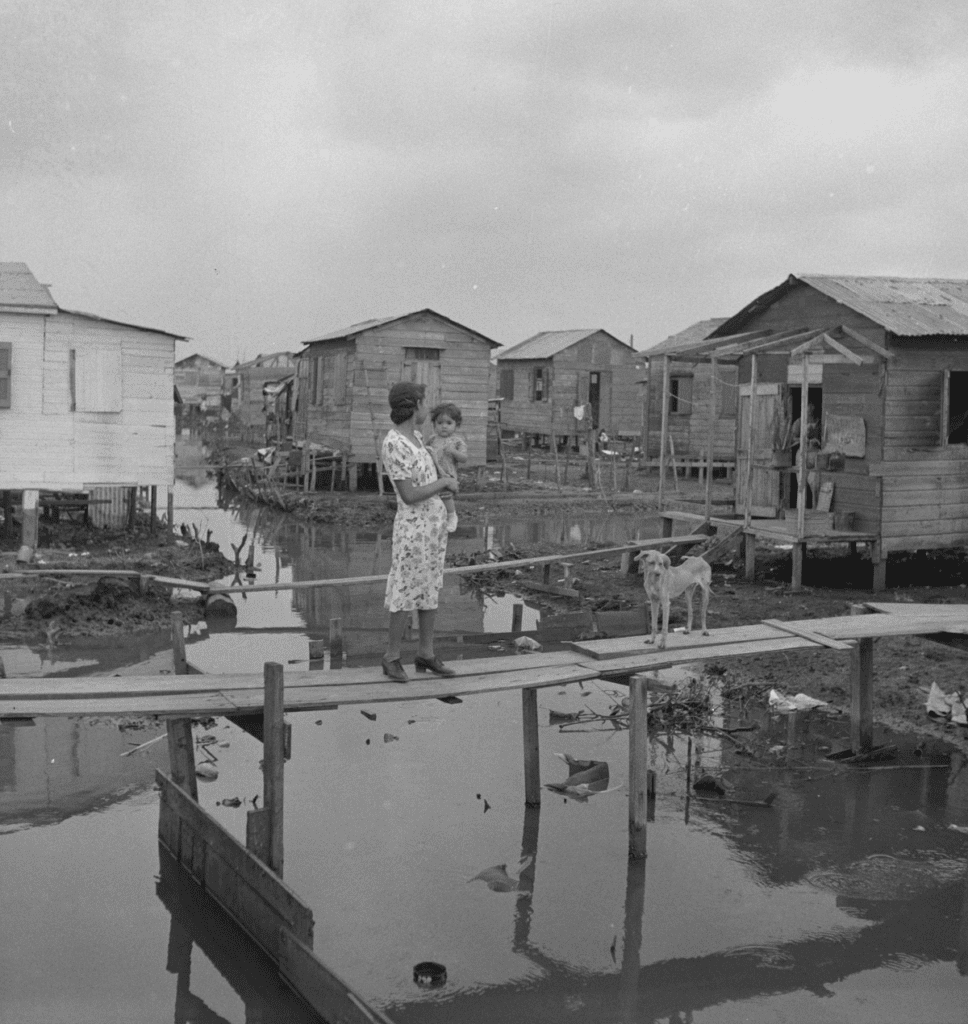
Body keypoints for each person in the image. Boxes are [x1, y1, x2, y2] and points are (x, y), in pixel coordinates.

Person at [381, 382, 459, 683]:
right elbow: (410, 495)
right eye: (425, 402)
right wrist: (444, 483)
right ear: (413, 405)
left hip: (433, 527)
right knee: (404, 590)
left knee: (429, 588)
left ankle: (426, 653)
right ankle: (391, 657)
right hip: (413, 529)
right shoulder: (394, 443)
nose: (428, 408)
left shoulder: (414, 438)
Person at [427, 402, 468, 533]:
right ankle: (438, 520)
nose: (444, 426)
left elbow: (464, 459)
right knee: (433, 498)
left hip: (448, 475)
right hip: (432, 474)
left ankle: (452, 516)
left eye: (449, 423)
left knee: (446, 496)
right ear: (434, 424)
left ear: (456, 425)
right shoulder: (432, 440)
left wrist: (454, 452)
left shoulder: (457, 442)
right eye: (440, 423)